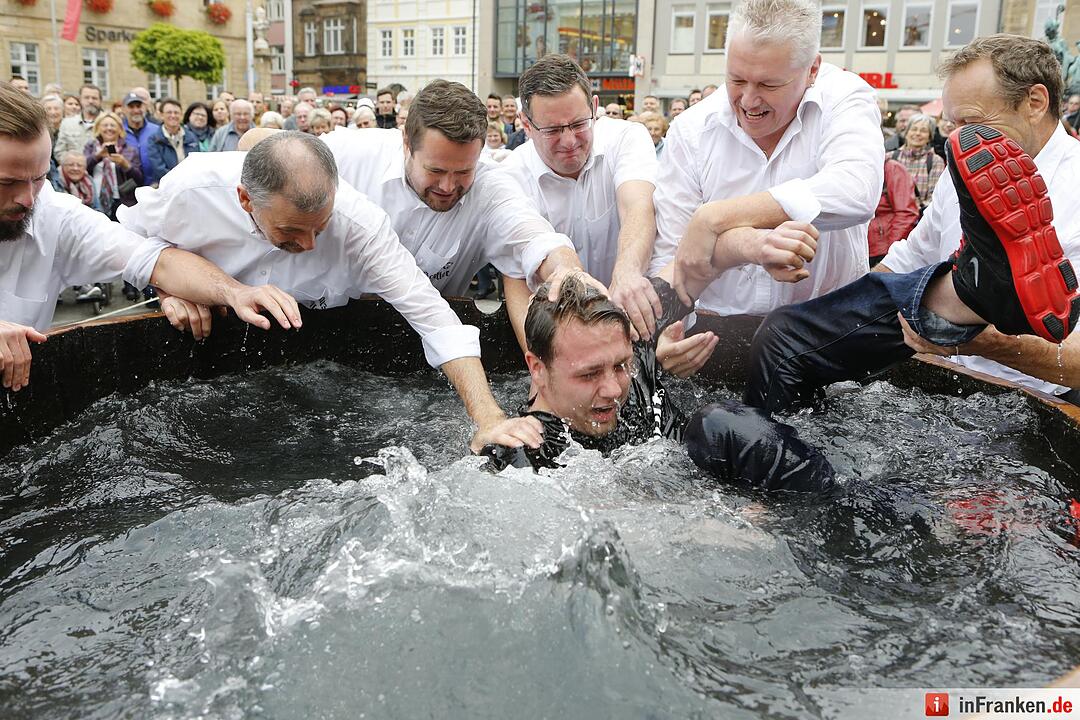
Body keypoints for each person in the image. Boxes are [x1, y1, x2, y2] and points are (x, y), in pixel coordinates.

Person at [118, 131, 542, 452]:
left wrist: (487, 418)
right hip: (215, 362)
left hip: (318, 361)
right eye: (290, 231)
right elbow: (127, 243)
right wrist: (168, 288)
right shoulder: (191, 190)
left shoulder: (361, 225)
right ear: (245, 199)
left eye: (320, 228)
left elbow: (434, 318)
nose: (308, 246)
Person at [746, 35, 1080, 412]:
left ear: (1034, 102)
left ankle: (971, 299)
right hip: (949, 382)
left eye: (972, 122)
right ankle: (970, 292)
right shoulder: (963, 173)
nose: (957, 139)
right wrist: (839, 312)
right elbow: (905, 262)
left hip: (1042, 402)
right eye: (951, 124)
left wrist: (979, 340)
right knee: (783, 335)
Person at [0, 81, 296, 392]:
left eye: (40, 178)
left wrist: (234, 292)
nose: (28, 199)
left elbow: (157, 261)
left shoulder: (55, 216)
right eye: (7, 182)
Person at [245, 81, 601, 338]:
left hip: (423, 346)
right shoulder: (348, 152)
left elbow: (536, 237)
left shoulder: (492, 186)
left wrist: (568, 270)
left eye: (463, 172)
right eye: (435, 171)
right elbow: (255, 148)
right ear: (406, 142)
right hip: (309, 328)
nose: (448, 187)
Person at [479, 274, 835, 494]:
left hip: (771, 495)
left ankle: (831, 500)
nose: (614, 390)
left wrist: (757, 245)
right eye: (588, 374)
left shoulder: (640, 356)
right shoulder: (526, 449)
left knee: (719, 423)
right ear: (537, 369)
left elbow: (697, 261)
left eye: (620, 365)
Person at [652, 0, 883, 322]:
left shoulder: (844, 98)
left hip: (825, 329)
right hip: (714, 327)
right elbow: (674, 252)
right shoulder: (692, 129)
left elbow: (855, 190)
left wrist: (715, 217)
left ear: (812, 69)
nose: (748, 100)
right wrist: (670, 330)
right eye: (736, 80)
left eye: (768, 84)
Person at [500, 55, 663, 342]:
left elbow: (638, 206)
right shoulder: (511, 175)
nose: (569, 141)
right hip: (557, 330)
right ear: (526, 124)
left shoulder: (628, 137)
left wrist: (627, 273)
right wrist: (540, 364)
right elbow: (514, 274)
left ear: (595, 107)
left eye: (578, 124)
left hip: (634, 316)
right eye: (552, 130)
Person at [83, 111, 142, 218]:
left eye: (113, 125)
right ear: (98, 128)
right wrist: (98, 156)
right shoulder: (91, 147)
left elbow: (139, 178)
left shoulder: (129, 150)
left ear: (120, 129)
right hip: (95, 198)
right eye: (105, 125)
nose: (109, 128)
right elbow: (82, 168)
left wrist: (125, 164)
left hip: (121, 200)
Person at [889, 112, 945, 215]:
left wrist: (916, 211)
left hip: (918, 218)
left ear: (929, 136)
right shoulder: (890, 158)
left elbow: (935, 198)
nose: (918, 133)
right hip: (891, 219)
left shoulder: (935, 161)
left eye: (923, 131)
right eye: (914, 129)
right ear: (906, 133)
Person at [868, 155, 919, 266]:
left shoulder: (892, 169)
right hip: (864, 249)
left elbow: (906, 213)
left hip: (883, 249)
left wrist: (890, 251)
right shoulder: (856, 168)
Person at [146, 98, 199, 186]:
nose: (173, 115)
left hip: (189, 185)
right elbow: (158, 168)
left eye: (176, 112)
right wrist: (178, 181)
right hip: (164, 186)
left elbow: (196, 163)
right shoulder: (154, 139)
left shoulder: (191, 137)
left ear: (181, 115)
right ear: (161, 115)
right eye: (169, 112)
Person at [53, 84, 102, 164]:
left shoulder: (108, 123)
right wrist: (73, 165)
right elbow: (59, 152)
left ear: (100, 101)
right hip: (73, 172)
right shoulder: (67, 123)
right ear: (80, 100)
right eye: (86, 97)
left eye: (94, 98)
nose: (90, 101)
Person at [120, 91, 160, 186]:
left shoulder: (156, 130)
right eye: (131, 107)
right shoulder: (119, 131)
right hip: (128, 187)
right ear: (124, 109)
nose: (136, 110)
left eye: (139, 106)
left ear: (145, 108)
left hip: (154, 186)